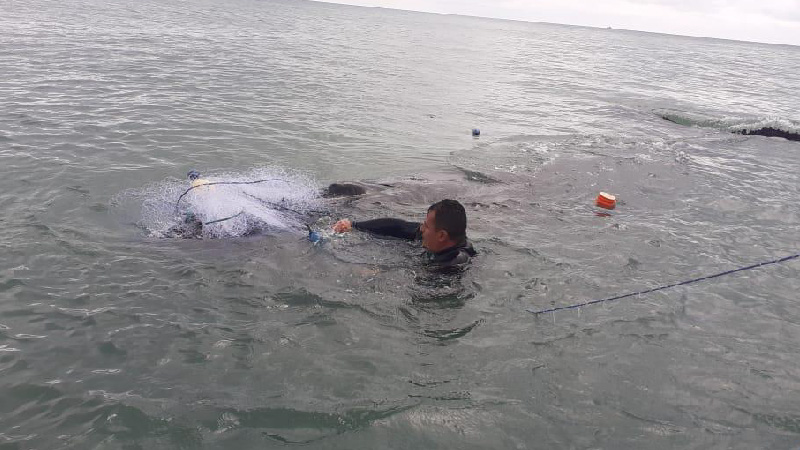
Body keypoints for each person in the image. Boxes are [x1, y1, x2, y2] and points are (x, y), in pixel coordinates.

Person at [332, 199, 476, 271]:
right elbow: (398, 226)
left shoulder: (454, 263)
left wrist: (380, 272)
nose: (421, 228)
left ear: (441, 236)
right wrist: (355, 225)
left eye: (426, 226)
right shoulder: (435, 238)